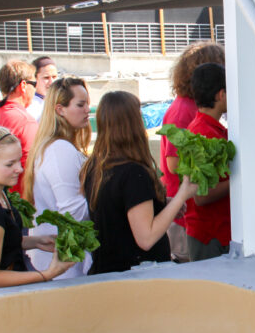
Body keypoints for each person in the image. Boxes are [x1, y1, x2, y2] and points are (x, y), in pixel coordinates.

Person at [82, 91, 199, 274]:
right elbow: (146, 238)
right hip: (135, 277)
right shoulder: (133, 173)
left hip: (107, 270)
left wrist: (163, 205)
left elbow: (119, 211)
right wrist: (182, 194)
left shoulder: (95, 165)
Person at [0, 114, 73, 289]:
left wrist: (36, 241)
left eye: (19, 161)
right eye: (9, 164)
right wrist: (47, 274)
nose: (19, 169)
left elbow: (1, 244)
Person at [160, 41, 226, 262]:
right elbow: (174, 164)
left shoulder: (203, 120)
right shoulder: (187, 116)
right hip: (196, 223)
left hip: (206, 224)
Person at [22, 77, 92, 280]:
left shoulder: (54, 147)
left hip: (59, 263)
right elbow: (74, 212)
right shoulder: (60, 149)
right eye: (80, 105)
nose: (87, 109)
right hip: (64, 268)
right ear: (60, 109)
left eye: (87, 103)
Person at [183, 63, 231, 260]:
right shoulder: (202, 133)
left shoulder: (209, 129)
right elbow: (201, 195)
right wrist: (240, 179)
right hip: (209, 236)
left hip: (216, 232)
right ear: (221, 95)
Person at [0, 60, 38, 194]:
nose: (35, 90)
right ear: (23, 86)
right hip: (19, 203)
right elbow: (32, 169)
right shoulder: (26, 122)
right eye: (34, 84)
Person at [26, 56, 58, 121]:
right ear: (34, 79)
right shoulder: (29, 106)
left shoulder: (63, 100)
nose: (51, 82)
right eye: (46, 78)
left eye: (54, 77)